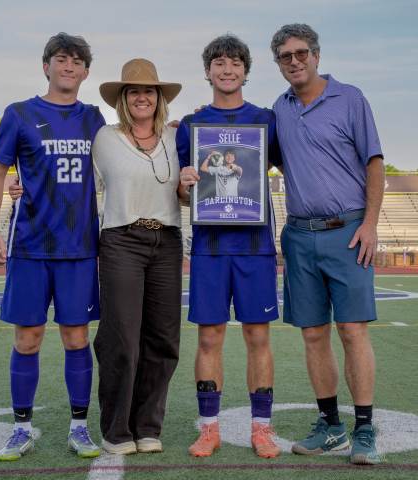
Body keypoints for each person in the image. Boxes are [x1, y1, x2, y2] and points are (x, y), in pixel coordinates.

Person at [0, 33, 104, 461]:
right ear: (46, 66)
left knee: (76, 337)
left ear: (86, 72)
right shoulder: (19, 113)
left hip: (79, 248)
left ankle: (79, 428)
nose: (69, 66)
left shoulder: (95, 119)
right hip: (30, 246)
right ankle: (21, 429)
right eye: (61, 59)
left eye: (77, 61)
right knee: (28, 338)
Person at [270, 24, 384, 465]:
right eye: (285, 56)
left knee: (352, 330)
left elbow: (374, 162)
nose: (294, 61)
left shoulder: (350, 98)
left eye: (301, 53)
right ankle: (331, 425)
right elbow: (258, 151)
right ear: (278, 63)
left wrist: (370, 224)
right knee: (314, 333)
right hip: (300, 234)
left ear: (316, 55)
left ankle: (365, 427)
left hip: (348, 230)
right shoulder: (279, 109)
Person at [177, 34, 282, 458]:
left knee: (258, 336)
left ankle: (262, 428)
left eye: (235, 63)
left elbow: (289, 162)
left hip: (255, 245)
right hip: (210, 246)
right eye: (219, 62)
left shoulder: (266, 120)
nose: (227, 69)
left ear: (245, 70)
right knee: (209, 338)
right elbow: (183, 193)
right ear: (208, 71)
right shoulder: (191, 125)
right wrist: (185, 185)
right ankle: (209, 428)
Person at [92, 58, 183, 455]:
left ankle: (148, 427)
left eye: (149, 91)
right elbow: (73, 181)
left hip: (167, 239)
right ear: (122, 99)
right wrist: (21, 185)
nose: (142, 97)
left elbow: (187, 192)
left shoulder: (177, 138)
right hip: (121, 239)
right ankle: (116, 430)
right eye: (133, 91)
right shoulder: (105, 138)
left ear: (159, 98)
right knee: (122, 339)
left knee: (163, 338)